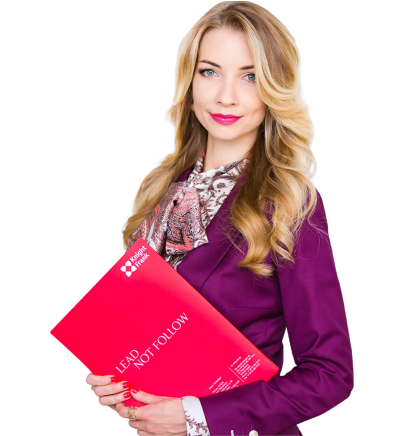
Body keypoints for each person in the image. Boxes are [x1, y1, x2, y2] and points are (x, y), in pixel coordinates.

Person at [85, 2, 354, 435]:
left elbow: (330, 374)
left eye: (250, 76)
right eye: (210, 72)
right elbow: (147, 330)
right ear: (190, 82)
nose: (226, 96)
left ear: (274, 87)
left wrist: (199, 418)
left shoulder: (288, 201)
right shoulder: (162, 187)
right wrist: (115, 378)